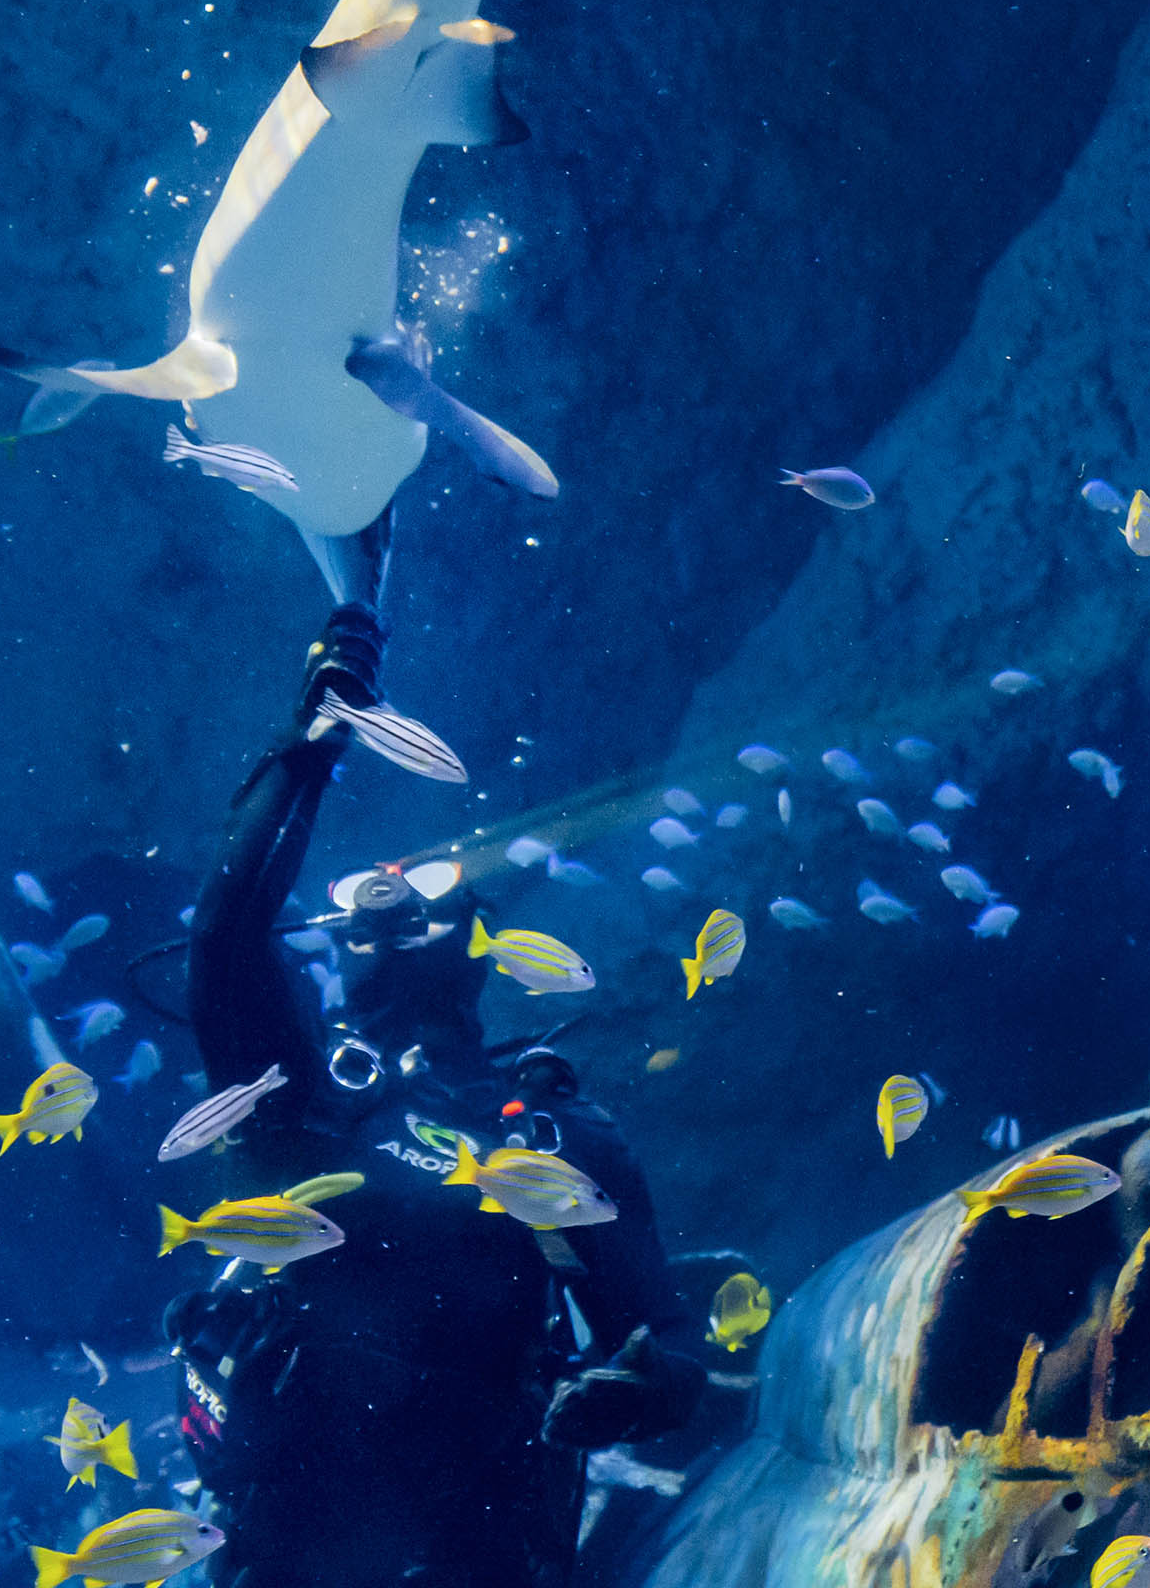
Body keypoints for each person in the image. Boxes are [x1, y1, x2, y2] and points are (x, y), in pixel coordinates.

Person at [165, 603, 705, 1588]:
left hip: (477, 1546)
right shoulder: (305, 1094)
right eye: (364, 911)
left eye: (420, 900)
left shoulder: (553, 1130)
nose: (384, 915)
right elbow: (225, 946)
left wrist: (637, 1388)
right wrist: (307, 743)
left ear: (474, 939)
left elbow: (667, 1336)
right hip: (297, 1537)